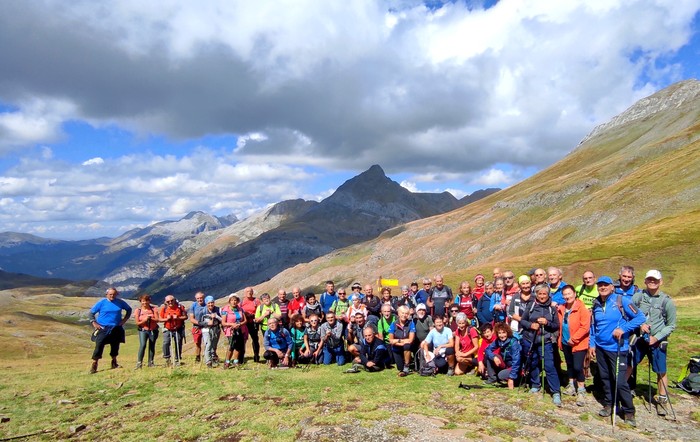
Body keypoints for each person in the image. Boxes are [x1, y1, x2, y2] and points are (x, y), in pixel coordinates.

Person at [589, 275, 646, 427]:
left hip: (618, 348)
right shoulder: (596, 304)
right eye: (600, 285)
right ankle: (609, 404)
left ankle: (629, 411)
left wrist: (623, 329)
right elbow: (593, 327)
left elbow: (640, 318)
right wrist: (592, 344)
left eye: (605, 285)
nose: (602, 287)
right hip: (601, 347)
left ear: (612, 287)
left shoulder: (622, 301)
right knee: (605, 378)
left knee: (620, 381)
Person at [631, 270, 677, 416]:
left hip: (658, 341)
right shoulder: (638, 297)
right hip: (640, 339)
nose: (652, 282)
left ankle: (662, 400)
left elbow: (671, 325)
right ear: (645, 281)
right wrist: (640, 325)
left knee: (660, 370)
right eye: (649, 279)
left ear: (660, 282)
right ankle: (622, 392)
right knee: (630, 363)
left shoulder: (667, 301)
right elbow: (630, 313)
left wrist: (656, 338)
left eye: (655, 280)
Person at [520, 283, 562, 406]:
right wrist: (530, 325)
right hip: (530, 339)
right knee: (532, 363)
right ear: (536, 294)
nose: (542, 296)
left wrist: (547, 323)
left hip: (546, 340)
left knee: (549, 365)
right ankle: (535, 384)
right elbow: (523, 320)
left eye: (544, 294)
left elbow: (556, 326)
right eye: (540, 294)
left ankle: (555, 392)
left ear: (548, 294)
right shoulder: (531, 305)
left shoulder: (552, 308)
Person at [557, 284, 590, 406]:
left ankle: (581, 389)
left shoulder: (581, 308)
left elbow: (585, 327)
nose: (567, 296)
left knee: (577, 367)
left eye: (569, 294)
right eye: (565, 294)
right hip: (566, 341)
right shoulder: (562, 308)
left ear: (574, 294)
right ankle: (571, 385)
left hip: (578, 343)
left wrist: (574, 339)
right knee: (569, 365)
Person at [89, 288, 132, 374]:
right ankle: (94, 364)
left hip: (116, 327)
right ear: (106, 295)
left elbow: (129, 309)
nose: (112, 296)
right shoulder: (102, 302)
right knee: (99, 345)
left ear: (116, 294)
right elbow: (91, 313)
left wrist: (124, 320)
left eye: (114, 294)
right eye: (110, 294)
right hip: (103, 328)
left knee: (115, 345)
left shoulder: (120, 302)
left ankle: (114, 362)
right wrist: (94, 323)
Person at [484, 322, 521, 389]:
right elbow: (487, 349)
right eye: (499, 333)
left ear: (507, 332)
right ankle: (492, 378)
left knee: (501, 375)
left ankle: (516, 379)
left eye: (503, 332)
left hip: (514, 366)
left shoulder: (513, 343)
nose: (502, 335)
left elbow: (516, 361)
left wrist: (511, 377)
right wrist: (494, 357)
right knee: (490, 356)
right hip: (505, 364)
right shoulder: (498, 340)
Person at [160, 295, 187, 367]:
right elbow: (160, 319)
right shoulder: (164, 309)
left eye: (172, 300)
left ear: (174, 300)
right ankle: (167, 359)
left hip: (178, 328)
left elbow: (185, 317)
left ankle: (177, 359)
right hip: (167, 328)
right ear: (166, 302)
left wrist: (178, 318)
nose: (170, 302)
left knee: (178, 343)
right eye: (168, 301)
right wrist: (166, 319)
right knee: (166, 343)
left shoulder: (180, 307)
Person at [388, 305, 416, 377]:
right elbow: (391, 340)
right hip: (396, 348)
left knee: (407, 346)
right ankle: (404, 363)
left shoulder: (411, 323)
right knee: (400, 368)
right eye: (402, 313)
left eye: (406, 313)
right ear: (398, 314)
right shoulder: (393, 324)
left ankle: (407, 365)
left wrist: (396, 341)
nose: (404, 315)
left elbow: (410, 340)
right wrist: (401, 341)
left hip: (407, 347)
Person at [134, 294, 159, 369]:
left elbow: (157, 319)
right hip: (143, 330)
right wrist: (144, 320)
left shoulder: (154, 309)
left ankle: (151, 362)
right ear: (140, 301)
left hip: (153, 330)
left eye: (146, 301)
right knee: (143, 345)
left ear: (149, 301)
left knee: (152, 345)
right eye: (143, 301)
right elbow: (137, 323)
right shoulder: (138, 310)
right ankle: (139, 363)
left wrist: (150, 318)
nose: (145, 303)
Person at [221, 294, 247, 369]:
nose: (234, 302)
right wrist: (232, 324)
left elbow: (245, 320)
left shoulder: (241, 309)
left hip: (240, 330)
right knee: (231, 346)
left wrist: (239, 324)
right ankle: (227, 362)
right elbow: (223, 322)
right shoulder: (225, 310)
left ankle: (236, 361)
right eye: (232, 300)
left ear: (238, 301)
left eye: (235, 300)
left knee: (238, 346)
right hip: (230, 330)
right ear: (229, 301)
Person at [200, 296, 223, 368]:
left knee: (214, 345)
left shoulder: (218, 309)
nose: (210, 304)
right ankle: (208, 362)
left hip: (216, 329)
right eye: (209, 303)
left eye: (212, 302)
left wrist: (216, 317)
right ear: (206, 303)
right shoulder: (202, 311)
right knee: (208, 344)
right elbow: (199, 322)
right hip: (206, 330)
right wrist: (207, 324)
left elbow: (223, 320)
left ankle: (213, 358)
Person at [240, 287, 261, 362]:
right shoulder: (241, 302)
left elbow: (260, 311)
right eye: (248, 291)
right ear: (245, 293)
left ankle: (256, 356)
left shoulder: (256, 301)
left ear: (253, 292)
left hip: (253, 323)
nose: (249, 293)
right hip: (244, 323)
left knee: (255, 339)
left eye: (251, 291)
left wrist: (253, 315)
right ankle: (241, 357)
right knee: (242, 340)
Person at [187, 291, 207, 363]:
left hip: (206, 327)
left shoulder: (207, 304)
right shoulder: (193, 305)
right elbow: (191, 318)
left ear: (203, 297)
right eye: (198, 298)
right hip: (197, 327)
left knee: (207, 342)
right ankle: (197, 357)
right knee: (197, 343)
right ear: (196, 299)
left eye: (201, 298)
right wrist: (199, 323)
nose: (199, 299)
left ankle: (208, 356)